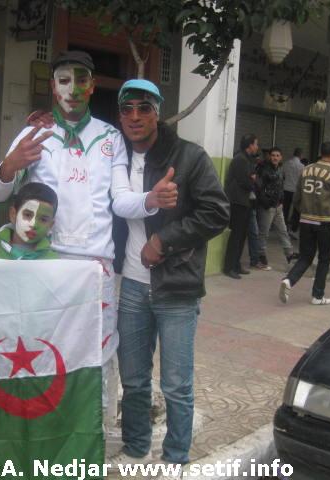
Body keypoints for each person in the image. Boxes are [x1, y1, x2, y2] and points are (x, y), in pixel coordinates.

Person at [0, 51, 151, 396]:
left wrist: (151, 200)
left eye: (81, 81)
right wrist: (10, 165)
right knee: (40, 351)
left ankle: (92, 424)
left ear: (92, 86)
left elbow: (121, 200)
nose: (73, 90)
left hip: (95, 268)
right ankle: (41, 419)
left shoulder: (110, 137)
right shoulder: (34, 134)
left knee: (95, 357)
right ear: (53, 87)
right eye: (64, 81)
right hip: (43, 263)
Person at [109, 79, 229, 469]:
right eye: (127, 109)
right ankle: (136, 448)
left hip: (176, 286)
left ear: (157, 112)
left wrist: (164, 240)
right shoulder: (116, 156)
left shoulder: (189, 156)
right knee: (133, 379)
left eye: (144, 108)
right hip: (131, 285)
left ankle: (175, 458)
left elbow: (217, 212)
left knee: (176, 384)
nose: (135, 117)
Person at [279, 141, 330, 305]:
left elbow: (296, 198)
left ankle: (289, 280)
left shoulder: (306, 169)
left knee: (305, 256)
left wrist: (304, 211)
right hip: (325, 222)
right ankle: (317, 295)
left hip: (306, 220)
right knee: (324, 258)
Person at [223, 134, 259, 279]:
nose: (257, 147)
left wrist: (253, 179)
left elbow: (253, 177)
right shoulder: (240, 159)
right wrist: (253, 180)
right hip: (237, 202)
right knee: (236, 235)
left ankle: (236, 265)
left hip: (244, 202)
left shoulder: (248, 159)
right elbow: (246, 181)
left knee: (242, 235)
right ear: (250, 145)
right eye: (256, 144)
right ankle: (229, 267)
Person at [255, 147, 295, 267]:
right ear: (269, 156)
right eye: (273, 155)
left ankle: (289, 255)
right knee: (264, 233)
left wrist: (281, 201)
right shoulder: (263, 169)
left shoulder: (280, 169)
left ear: (281, 157)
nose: (275, 158)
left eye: (277, 155)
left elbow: (280, 186)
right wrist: (266, 203)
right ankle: (260, 256)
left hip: (278, 207)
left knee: (283, 231)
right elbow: (258, 188)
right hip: (267, 207)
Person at [283, 148, 304, 234]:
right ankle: (293, 229)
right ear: (301, 155)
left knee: (285, 209)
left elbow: (283, 175)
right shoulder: (302, 166)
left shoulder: (286, 163)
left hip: (286, 189)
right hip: (296, 190)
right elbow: (302, 179)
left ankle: (283, 227)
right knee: (296, 210)